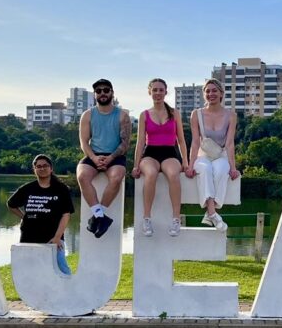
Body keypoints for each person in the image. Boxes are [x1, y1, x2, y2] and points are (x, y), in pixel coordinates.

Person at [131, 78, 189, 237]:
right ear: (150, 92)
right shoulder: (144, 115)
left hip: (170, 152)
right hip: (150, 153)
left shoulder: (174, 113)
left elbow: (181, 140)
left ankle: (176, 219)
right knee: (150, 174)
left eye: (161, 90)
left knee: (173, 174)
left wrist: (186, 161)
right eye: (154, 90)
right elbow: (140, 142)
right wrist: (136, 165)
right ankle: (147, 218)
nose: (158, 93)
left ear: (165, 92)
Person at [76, 78, 131, 239]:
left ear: (112, 93)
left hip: (115, 155)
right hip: (93, 154)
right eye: (98, 91)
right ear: (95, 95)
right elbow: (83, 142)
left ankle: (98, 216)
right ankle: (100, 216)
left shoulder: (122, 116)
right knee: (82, 176)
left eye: (106, 90)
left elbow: (125, 143)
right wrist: (93, 158)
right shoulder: (87, 115)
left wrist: (110, 158)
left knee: (116, 177)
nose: (102, 93)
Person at [185, 78, 240, 231]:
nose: (211, 94)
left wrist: (233, 168)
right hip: (202, 156)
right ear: (204, 94)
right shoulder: (196, 114)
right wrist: (190, 166)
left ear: (221, 93)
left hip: (220, 155)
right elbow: (195, 142)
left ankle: (210, 213)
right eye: (207, 91)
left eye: (214, 90)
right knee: (205, 169)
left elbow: (229, 143)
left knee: (222, 170)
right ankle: (213, 213)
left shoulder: (231, 115)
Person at [8, 155, 75, 275]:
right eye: (38, 166)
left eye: (45, 166)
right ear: (34, 169)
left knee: (62, 270)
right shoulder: (27, 188)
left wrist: (57, 237)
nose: (42, 168)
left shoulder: (61, 189)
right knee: (30, 271)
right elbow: (11, 204)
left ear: (51, 168)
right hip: (29, 237)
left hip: (53, 238)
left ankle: (69, 293)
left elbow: (66, 215)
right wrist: (24, 217)